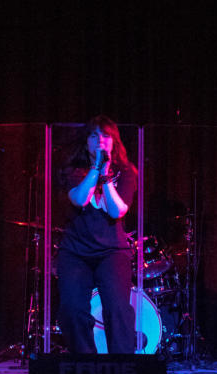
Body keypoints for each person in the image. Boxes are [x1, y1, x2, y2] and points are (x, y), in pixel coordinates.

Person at [57, 115, 137, 353]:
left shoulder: (127, 172)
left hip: (112, 251)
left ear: (114, 142)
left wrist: (107, 175)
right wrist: (95, 169)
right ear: (86, 142)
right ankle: (86, 363)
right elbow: (80, 199)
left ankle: (121, 366)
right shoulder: (72, 171)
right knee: (72, 310)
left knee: (118, 310)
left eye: (106, 136)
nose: (100, 140)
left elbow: (116, 211)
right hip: (75, 251)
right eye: (94, 135)